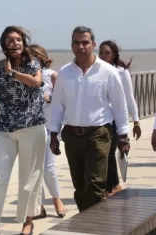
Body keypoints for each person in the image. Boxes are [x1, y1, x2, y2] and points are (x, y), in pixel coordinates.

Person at [0, 26, 46, 235]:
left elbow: (36, 82)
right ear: (4, 44)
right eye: (9, 40)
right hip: (4, 128)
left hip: (31, 126)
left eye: (18, 40)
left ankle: (27, 222)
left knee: (29, 177)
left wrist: (12, 74)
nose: (14, 43)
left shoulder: (32, 63)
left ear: (23, 43)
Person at [49, 26, 130, 212]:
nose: (81, 46)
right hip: (71, 135)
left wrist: (123, 136)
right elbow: (57, 105)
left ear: (93, 44)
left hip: (99, 133)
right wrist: (53, 134)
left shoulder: (108, 72)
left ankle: (89, 228)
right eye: (77, 43)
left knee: (94, 184)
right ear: (71, 46)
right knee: (80, 187)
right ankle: (91, 222)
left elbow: (120, 105)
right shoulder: (64, 72)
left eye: (85, 42)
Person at [99, 40, 142, 197]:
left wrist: (136, 121)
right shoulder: (96, 70)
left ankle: (113, 186)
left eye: (107, 53)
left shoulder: (121, 72)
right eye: (101, 53)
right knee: (104, 153)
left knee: (110, 152)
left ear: (114, 55)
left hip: (117, 117)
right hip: (102, 119)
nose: (103, 56)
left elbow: (130, 98)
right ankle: (110, 185)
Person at [29, 44, 66, 219]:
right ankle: (39, 206)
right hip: (30, 126)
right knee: (33, 168)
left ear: (42, 58)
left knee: (48, 167)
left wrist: (48, 97)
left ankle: (57, 199)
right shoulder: (26, 76)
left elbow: (63, 102)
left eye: (35, 57)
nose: (32, 60)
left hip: (49, 126)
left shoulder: (52, 76)